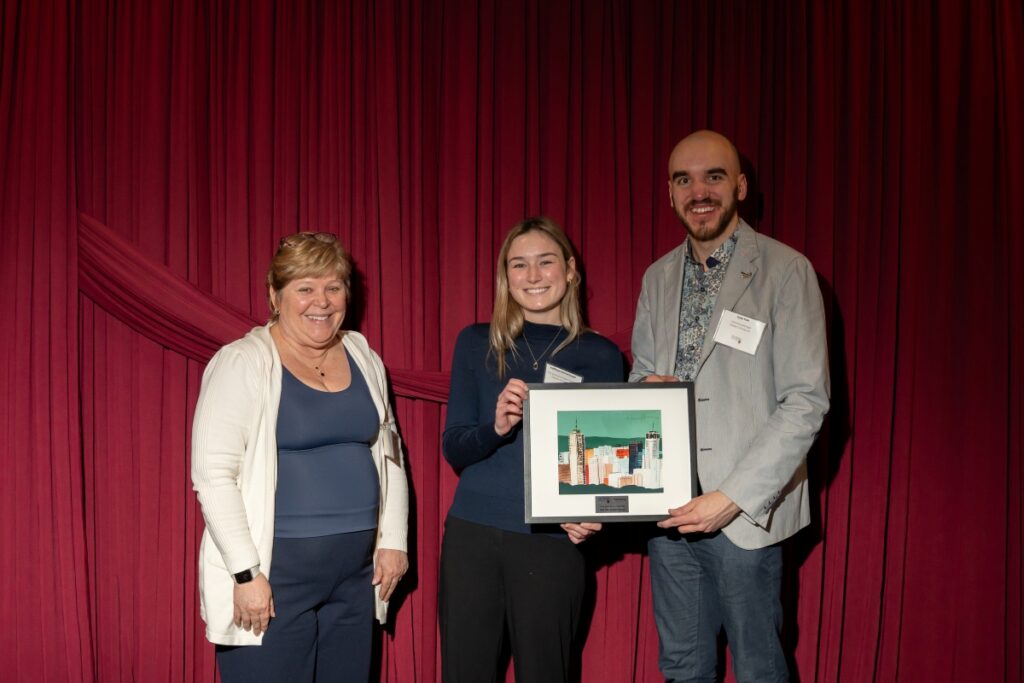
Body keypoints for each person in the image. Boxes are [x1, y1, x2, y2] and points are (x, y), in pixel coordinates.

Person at [630, 130, 830, 682]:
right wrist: (645, 386)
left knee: (759, 668)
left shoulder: (787, 271)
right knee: (682, 667)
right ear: (670, 194)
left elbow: (806, 403)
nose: (699, 191)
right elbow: (640, 373)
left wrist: (732, 497)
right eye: (683, 180)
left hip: (746, 514)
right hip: (669, 512)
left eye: (713, 176)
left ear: (740, 186)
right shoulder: (657, 277)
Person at [191, 232, 409, 682]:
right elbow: (213, 476)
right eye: (305, 288)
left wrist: (394, 539)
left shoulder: (361, 353)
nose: (322, 301)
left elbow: (390, 451)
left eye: (334, 287)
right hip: (275, 576)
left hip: (355, 576)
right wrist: (246, 574)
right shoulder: (243, 362)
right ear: (275, 295)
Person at [440, 217, 624, 682]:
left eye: (545, 262)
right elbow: (454, 448)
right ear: (506, 277)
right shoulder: (476, 341)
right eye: (519, 265)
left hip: (552, 546)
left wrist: (593, 516)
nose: (534, 275)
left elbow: (610, 471)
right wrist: (496, 425)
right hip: (472, 537)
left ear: (570, 269)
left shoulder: (602, 355)